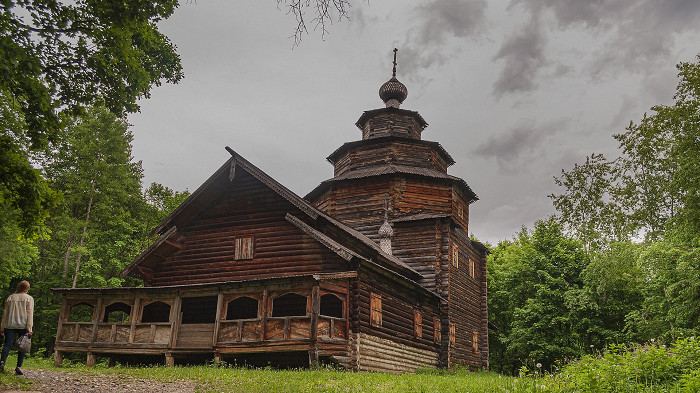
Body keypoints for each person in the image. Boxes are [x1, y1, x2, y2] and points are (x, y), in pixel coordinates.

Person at [1, 280, 34, 375]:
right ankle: (18, 367)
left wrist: (2, 327)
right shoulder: (29, 298)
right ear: (27, 288)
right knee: (22, 346)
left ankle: (2, 363)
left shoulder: (10, 298)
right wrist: (30, 328)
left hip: (10, 324)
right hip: (23, 325)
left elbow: (5, 314)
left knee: (7, 345)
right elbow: (29, 314)